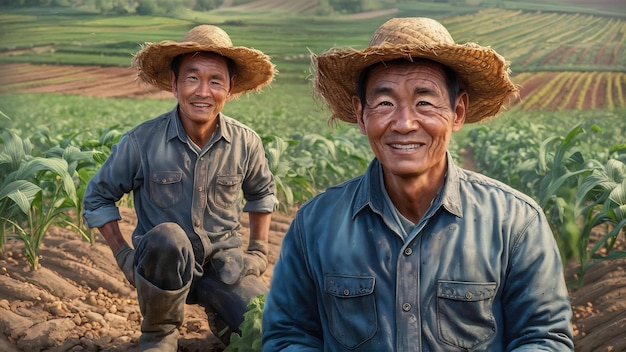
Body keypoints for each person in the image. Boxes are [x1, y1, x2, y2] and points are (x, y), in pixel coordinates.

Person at [262, 17, 574, 351]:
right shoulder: (314, 225)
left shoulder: (515, 222)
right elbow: (289, 335)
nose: (405, 123)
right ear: (361, 115)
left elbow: (543, 338)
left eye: (424, 102)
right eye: (384, 103)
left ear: (457, 111)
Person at [82, 24, 278, 351]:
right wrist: (124, 256)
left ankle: (220, 311)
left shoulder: (246, 142)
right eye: (192, 78)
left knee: (269, 333)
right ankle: (159, 332)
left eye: (215, 80)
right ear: (174, 84)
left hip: (225, 267)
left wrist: (258, 251)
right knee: (167, 237)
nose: (203, 91)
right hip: (164, 268)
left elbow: (261, 194)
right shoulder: (141, 142)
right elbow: (98, 197)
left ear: (230, 88)